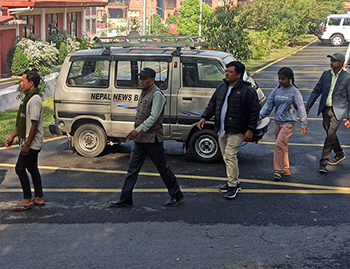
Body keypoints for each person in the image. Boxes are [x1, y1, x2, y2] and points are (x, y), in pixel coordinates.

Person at [110, 68, 184, 208]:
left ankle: (176, 194)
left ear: (152, 79)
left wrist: (137, 131)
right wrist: (138, 133)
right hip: (140, 140)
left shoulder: (157, 95)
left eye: (144, 78)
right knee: (132, 169)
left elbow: (153, 118)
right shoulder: (144, 92)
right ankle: (125, 198)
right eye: (140, 78)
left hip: (152, 139)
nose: (141, 81)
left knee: (163, 168)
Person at [197, 60, 261, 199]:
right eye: (226, 71)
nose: (226, 73)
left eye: (230, 71)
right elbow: (213, 104)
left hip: (237, 129)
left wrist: (250, 130)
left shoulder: (248, 91)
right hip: (222, 128)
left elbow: (254, 112)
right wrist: (204, 117)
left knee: (230, 155)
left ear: (238, 75)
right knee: (227, 157)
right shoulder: (222, 87)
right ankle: (234, 181)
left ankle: (232, 186)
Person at [306, 53, 350, 174]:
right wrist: (307, 106)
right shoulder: (325, 75)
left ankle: (323, 162)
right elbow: (316, 90)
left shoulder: (347, 78)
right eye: (331, 60)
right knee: (330, 133)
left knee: (330, 135)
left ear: (340, 63)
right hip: (325, 108)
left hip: (338, 110)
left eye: (333, 61)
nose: (331, 62)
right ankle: (339, 153)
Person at [6, 70, 45, 211]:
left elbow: (34, 124)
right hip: (28, 140)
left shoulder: (34, 100)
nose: (21, 83)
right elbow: (24, 121)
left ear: (31, 83)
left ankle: (27, 198)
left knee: (20, 168)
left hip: (32, 142)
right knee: (32, 167)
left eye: (23, 81)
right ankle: (39, 197)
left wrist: (27, 145)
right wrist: (13, 136)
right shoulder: (27, 98)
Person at [259, 67, 308, 181]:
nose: (281, 81)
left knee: (278, 145)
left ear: (290, 79)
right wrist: (259, 116)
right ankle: (285, 168)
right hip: (278, 122)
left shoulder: (294, 92)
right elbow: (268, 105)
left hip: (289, 123)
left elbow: (301, 108)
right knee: (282, 146)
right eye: (279, 79)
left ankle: (278, 170)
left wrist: (303, 123)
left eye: (283, 79)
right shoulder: (276, 90)